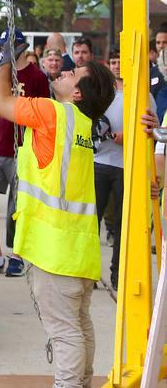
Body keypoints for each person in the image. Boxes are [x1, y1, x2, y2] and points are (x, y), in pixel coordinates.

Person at [0, 42, 115, 388]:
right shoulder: (83, 124)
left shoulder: (52, 114)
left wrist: (6, 62)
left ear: (77, 92)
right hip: (79, 251)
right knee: (79, 325)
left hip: (53, 251)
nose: (64, 71)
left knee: (65, 331)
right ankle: (81, 382)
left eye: (73, 73)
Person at [0, 28, 50, 276]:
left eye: (7, 47)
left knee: (21, 204)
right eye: (1, 48)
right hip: (0, 143)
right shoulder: (2, 72)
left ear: (20, 47)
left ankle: (17, 255)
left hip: (24, 147)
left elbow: (44, 113)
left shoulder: (37, 76)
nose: (3, 52)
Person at [92, 52, 124, 291]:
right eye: (114, 62)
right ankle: (90, 271)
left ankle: (117, 273)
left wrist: (129, 134)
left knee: (122, 224)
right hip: (99, 162)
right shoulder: (100, 91)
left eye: (121, 61)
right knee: (92, 221)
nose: (117, 66)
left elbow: (151, 124)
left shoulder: (142, 93)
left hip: (125, 165)